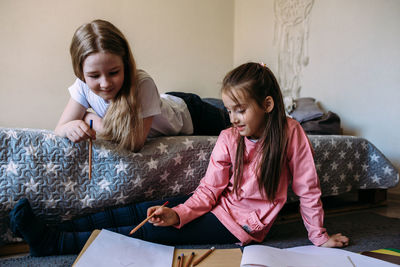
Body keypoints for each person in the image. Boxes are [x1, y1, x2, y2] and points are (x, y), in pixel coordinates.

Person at [10, 62, 349, 256]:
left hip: (240, 226)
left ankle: (54, 243)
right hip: (216, 204)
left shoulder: (291, 134)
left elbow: (308, 189)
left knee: (145, 232)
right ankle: (56, 227)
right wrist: (179, 211)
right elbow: (208, 189)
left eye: (240, 110)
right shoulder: (229, 138)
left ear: (268, 105)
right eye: (228, 110)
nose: (232, 118)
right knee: (141, 210)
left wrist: (319, 237)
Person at [55, 19, 230, 152]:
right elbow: (60, 128)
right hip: (161, 104)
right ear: (81, 72)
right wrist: (70, 127)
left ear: (125, 65)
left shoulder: (141, 83)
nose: (105, 83)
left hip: (191, 113)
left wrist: (87, 118)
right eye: (94, 76)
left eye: (114, 72)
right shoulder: (82, 86)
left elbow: (134, 143)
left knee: (237, 118)